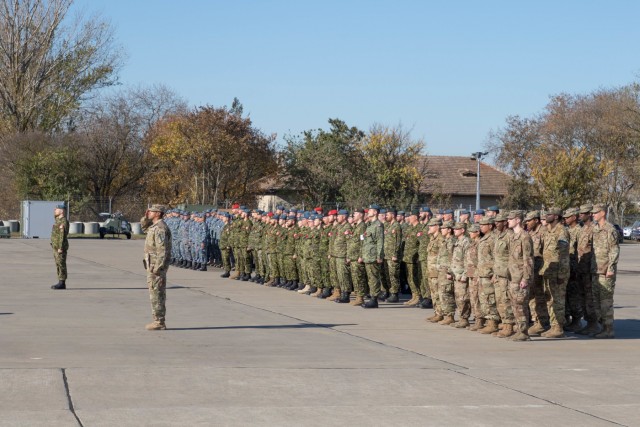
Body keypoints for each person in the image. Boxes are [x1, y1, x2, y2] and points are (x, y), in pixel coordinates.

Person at [590, 204, 620, 339]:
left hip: (606, 271)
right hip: (595, 270)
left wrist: (611, 268)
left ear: (603, 213)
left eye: (595, 212)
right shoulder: (595, 229)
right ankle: (602, 327)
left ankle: (609, 329)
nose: (593, 215)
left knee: (606, 301)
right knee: (596, 301)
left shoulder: (610, 229)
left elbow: (614, 250)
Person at [144, 204, 172, 331]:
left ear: (158, 213)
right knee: (154, 292)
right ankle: (158, 319)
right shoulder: (154, 226)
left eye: (152, 211)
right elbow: (144, 228)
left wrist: (158, 267)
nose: (149, 212)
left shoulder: (160, 228)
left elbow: (162, 250)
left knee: (157, 293)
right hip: (152, 265)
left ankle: (159, 321)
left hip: (156, 266)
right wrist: (145, 218)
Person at [51, 204, 69, 290]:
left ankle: (62, 282)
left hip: (60, 248)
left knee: (61, 264)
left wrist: (60, 247)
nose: (55, 210)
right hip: (55, 247)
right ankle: (60, 281)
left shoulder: (63, 221)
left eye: (57, 209)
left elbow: (62, 235)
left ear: (62, 211)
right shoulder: (58, 220)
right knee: (58, 264)